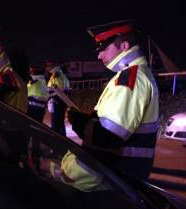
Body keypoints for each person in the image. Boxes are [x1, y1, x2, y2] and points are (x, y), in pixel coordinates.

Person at [68, 20, 159, 180]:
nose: (99, 55)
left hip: (116, 181)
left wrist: (79, 122)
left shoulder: (131, 77)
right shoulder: (132, 74)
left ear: (124, 46)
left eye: (103, 48)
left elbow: (108, 137)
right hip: (122, 177)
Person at [46, 62, 71, 136]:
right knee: (60, 123)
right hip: (60, 102)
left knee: (56, 123)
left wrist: (49, 96)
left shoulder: (56, 76)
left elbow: (58, 91)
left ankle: (56, 142)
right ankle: (62, 140)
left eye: (48, 66)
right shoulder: (61, 75)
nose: (47, 69)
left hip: (57, 102)